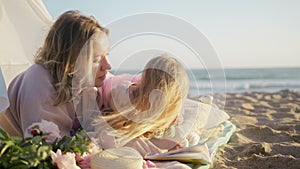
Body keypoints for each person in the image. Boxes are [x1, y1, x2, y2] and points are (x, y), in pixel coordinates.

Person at [0, 10, 111, 137]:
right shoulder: (39, 83)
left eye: (106, 55)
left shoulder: (84, 85)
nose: (108, 66)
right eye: (96, 59)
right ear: (70, 60)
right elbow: (46, 150)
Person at [94, 55, 190, 156]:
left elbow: (150, 132)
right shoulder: (123, 96)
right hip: (105, 86)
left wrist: (167, 144)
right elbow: (107, 125)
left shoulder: (168, 111)